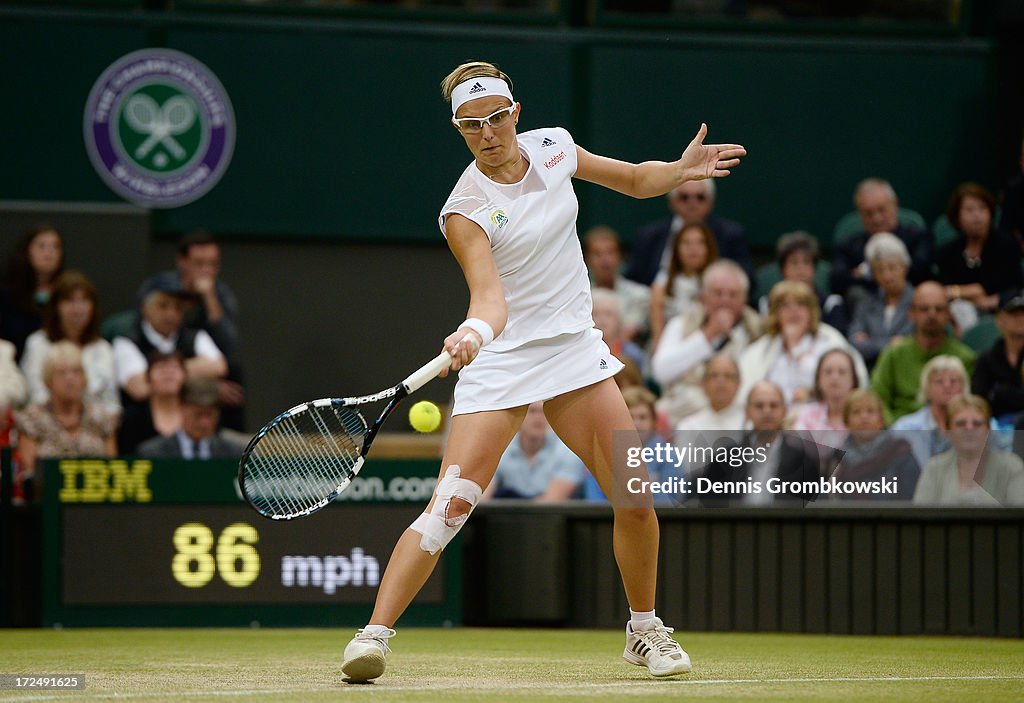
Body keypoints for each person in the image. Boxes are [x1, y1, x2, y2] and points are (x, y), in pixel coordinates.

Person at [341, 60, 745, 683]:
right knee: (450, 506)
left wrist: (677, 171)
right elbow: (490, 300)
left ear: (516, 114)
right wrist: (474, 333)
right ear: (459, 130)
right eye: (471, 124)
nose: (487, 131)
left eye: (496, 117)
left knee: (635, 498)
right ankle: (373, 637)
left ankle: (644, 629)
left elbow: (637, 181)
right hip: (502, 357)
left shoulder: (554, 147)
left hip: (572, 351)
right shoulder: (464, 210)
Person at [136, 229, 245, 428]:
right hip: (154, 364)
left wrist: (209, 297)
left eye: (213, 265)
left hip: (203, 368)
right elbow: (144, 338)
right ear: (182, 261)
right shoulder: (158, 288)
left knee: (233, 385)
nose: (207, 271)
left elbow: (229, 348)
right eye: (199, 264)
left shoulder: (221, 295)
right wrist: (176, 373)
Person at [650, 260, 761, 427]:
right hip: (682, 411)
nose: (725, 300)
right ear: (704, 297)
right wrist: (708, 335)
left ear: (744, 299)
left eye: (733, 294)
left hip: (738, 413)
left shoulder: (757, 329)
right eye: (718, 293)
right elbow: (661, 371)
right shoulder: (681, 324)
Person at [737, 281, 867, 407]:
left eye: (800, 305)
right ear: (775, 313)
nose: (793, 312)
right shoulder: (761, 349)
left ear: (811, 311)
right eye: (785, 306)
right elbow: (744, 393)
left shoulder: (831, 340)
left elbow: (855, 385)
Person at [13, 341, 119, 498]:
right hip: (47, 500)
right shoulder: (31, 418)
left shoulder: (101, 417)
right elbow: (29, 472)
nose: (70, 379)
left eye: (76, 372)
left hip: (96, 501)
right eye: (61, 373)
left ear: (84, 379)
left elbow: (114, 468)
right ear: (48, 381)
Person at [697, 381, 820, 507]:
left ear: (784, 411)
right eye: (759, 406)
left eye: (773, 406)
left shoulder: (803, 463)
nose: (767, 411)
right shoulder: (724, 460)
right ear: (747, 412)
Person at [871, 282, 975, 421]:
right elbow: (877, 399)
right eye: (924, 309)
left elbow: (971, 405)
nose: (932, 314)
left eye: (939, 309)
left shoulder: (965, 357)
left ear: (949, 315)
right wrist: (896, 432)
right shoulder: (893, 354)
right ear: (911, 314)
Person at [113, 282, 228, 404]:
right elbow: (139, 388)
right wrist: (196, 376)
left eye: (178, 307)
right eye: (163, 306)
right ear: (144, 307)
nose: (171, 314)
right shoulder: (126, 342)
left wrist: (158, 374)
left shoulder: (195, 336)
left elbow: (219, 367)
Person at [19, 271, 118, 410]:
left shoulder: (103, 348)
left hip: (95, 426)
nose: (78, 309)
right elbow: (35, 396)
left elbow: (112, 403)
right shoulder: (38, 344)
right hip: (46, 425)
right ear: (56, 306)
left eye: (84, 300)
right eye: (70, 300)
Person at [626, 178, 753, 286]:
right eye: (684, 197)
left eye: (700, 197)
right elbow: (633, 280)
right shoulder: (649, 235)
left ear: (711, 201)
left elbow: (746, 279)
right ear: (672, 201)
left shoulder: (730, 234)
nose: (692, 203)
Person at [890, 355, 1005, 469]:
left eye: (954, 381)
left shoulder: (983, 425)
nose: (947, 386)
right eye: (939, 381)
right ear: (927, 388)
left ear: (964, 387)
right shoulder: (905, 427)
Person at [829, 178, 932, 304]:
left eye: (881, 210)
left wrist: (865, 273)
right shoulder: (847, 246)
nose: (877, 219)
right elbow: (838, 280)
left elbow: (920, 272)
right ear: (859, 214)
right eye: (868, 213)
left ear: (895, 205)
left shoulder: (918, 238)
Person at [913, 394, 1024, 507]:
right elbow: (919, 520)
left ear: (989, 430)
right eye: (961, 424)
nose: (969, 429)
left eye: (977, 424)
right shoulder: (934, 468)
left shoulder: (1011, 466)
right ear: (948, 430)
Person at [937, 183, 1023, 325]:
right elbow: (944, 290)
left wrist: (958, 292)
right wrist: (971, 293)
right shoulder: (948, 251)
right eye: (969, 210)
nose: (977, 216)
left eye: (982, 209)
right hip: (958, 314)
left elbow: (1008, 286)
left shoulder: (1006, 245)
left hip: (1005, 309)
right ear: (957, 216)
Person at [583, 387, 677, 502]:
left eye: (642, 417)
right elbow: (593, 503)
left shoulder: (670, 457)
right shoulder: (602, 454)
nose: (636, 424)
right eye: (630, 417)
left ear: (654, 422)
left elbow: (671, 503)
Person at [482, 401, 585, 500]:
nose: (538, 418)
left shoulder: (567, 452)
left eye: (544, 412)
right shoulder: (501, 448)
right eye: (532, 411)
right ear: (518, 416)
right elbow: (482, 498)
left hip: (551, 516)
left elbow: (552, 502)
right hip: (505, 513)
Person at [828, 389, 919, 501]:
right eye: (856, 412)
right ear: (847, 421)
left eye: (870, 411)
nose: (864, 417)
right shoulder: (837, 460)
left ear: (881, 420)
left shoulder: (901, 454)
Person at [137, 376, 247, 459]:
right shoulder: (152, 454)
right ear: (182, 409)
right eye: (198, 415)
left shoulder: (235, 454)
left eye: (210, 415)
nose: (204, 423)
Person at [757, 231, 846, 334]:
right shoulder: (767, 304)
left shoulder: (831, 304)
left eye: (806, 262)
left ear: (814, 268)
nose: (800, 269)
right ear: (782, 269)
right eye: (794, 263)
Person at [847, 233, 914, 368]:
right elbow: (854, 343)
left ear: (904, 267)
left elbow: (910, 344)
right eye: (879, 270)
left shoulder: (918, 301)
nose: (887, 275)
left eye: (892, 267)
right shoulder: (866, 302)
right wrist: (890, 343)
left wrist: (870, 341)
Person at [649, 222, 717, 350]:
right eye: (686, 243)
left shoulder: (719, 283)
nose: (693, 248)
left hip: (708, 347)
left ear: (709, 247)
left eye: (700, 242)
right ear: (676, 249)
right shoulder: (661, 287)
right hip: (670, 348)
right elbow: (658, 335)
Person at [0, 225, 65, 359]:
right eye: (42, 246)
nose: (49, 252)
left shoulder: (66, 294)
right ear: (27, 250)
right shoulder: (7, 295)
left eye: (55, 246)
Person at [582, 226, 650, 342]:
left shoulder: (640, 295)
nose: (605, 260)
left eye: (610, 252)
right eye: (597, 254)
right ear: (587, 259)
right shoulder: (580, 297)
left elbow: (630, 333)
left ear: (620, 256)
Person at [790, 348, 861, 450]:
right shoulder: (807, 414)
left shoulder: (864, 414)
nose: (835, 377)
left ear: (853, 379)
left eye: (842, 372)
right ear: (818, 379)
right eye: (828, 372)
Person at [117, 351, 187, 455]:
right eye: (161, 368)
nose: (168, 374)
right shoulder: (132, 417)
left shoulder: (196, 413)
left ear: (185, 376)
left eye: (175, 368)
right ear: (148, 378)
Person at [971, 292, 1024, 424]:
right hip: (996, 426)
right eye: (1013, 314)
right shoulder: (987, 359)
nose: (1020, 319)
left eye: (1023, 314)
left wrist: (1004, 394)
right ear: (999, 320)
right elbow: (978, 401)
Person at [675, 354, 744, 432]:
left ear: (738, 383)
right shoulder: (689, 427)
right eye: (714, 376)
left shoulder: (750, 424)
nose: (721, 382)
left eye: (728, 376)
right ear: (703, 384)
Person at [591, 288, 646, 373]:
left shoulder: (633, 355)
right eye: (595, 314)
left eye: (608, 314)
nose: (602, 320)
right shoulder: (582, 352)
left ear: (619, 320)